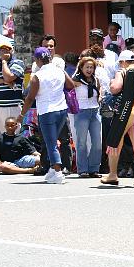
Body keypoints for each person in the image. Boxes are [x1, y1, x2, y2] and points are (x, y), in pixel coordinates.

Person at [20, 47, 75, 184]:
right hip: (62, 110)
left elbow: (30, 98)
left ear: (38, 60)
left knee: (50, 143)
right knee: (53, 139)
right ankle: (52, 169)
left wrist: (21, 115)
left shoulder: (37, 76)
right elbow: (71, 85)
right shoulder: (59, 70)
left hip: (47, 112)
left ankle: (57, 171)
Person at [101, 50, 134, 188]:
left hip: (125, 111)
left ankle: (112, 175)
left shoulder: (122, 72)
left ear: (122, 62)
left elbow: (115, 89)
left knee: (114, 141)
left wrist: (112, 83)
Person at [72, 56, 102, 177]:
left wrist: (100, 98)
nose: (89, 70)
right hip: (82, 112)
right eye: (87, 67)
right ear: (81, 68)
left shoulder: (96, 80)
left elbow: (99, 93)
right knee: (82, 142)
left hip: (94, 111)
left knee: (97, 142)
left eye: (91, 67)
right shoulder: (76, 80)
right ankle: (83, 169)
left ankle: (94, 168)